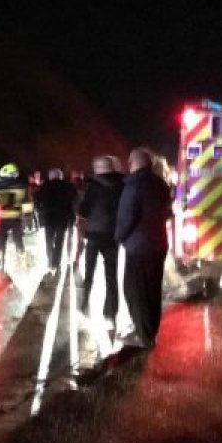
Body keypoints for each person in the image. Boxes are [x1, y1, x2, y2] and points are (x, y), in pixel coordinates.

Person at [115, 148, 172, 348]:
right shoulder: (162, 185)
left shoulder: (133, 186)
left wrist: (119, 237)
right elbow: (167, 213)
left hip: (139, 248)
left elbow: (126, 217)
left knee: (134, 292)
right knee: (152, 290)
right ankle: (150, 330)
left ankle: (144, 336)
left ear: (133, 164)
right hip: (159, 245)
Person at [76, 156, 124, 326]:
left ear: (99, 169)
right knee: (111, 275)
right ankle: (110, 313)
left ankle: (83, 305)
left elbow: (83, 211)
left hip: (94, 235)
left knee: (89, 272)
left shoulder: (93, 187)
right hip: (112, 236)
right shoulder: (122, 185)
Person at [35, 168, 77, 272]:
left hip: (48, 217)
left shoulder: (45, 186)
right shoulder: (68, 187)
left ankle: (50, 262)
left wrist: (40, 212)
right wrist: (72, 216)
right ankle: (56, 262)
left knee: (49, 241)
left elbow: (37, 200)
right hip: (63, 217)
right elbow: (74, 202)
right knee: (60, 240)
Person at [0, 163, 29, 266]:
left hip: (2, 216)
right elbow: (26, 202)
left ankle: (0, 260)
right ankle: (21, 260)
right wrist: (28, 218)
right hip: (16, 216)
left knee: (1, 239)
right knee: (18, 239)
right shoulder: (22, 185)